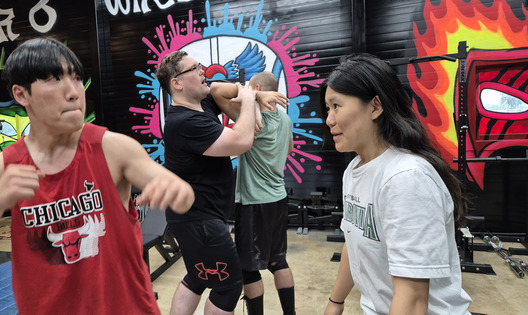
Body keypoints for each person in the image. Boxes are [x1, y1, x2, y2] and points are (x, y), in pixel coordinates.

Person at [0, 38, 195, 315]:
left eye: (75, 78)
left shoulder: (114, 148)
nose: (74, 91)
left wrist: (177, 191)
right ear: (21, 94)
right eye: (54, 79)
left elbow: (181, 194)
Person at [321, 53, 472, 315]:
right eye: (328, 109)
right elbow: (354, 240)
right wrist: (336, 302)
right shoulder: (354, 170)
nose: (329, 120)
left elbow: (413, 299)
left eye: (337, 106)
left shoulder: (406, 179)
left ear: (375, 107)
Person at [155, 51, 288, 315]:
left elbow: (217, 88)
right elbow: (241, 141)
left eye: (199, 65)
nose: (202, 70)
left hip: (199, 217)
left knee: (197, 277)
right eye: (194, 69)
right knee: (228, 285)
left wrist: (257, 94)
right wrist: (250, 98)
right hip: (199, 221)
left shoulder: (199, 104)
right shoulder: (184, 121)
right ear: (177, 83)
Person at [232, 71, 295, 315]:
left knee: (249, 269)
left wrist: (251, 99)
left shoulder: (252, 120)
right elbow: (288, 149)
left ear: (257, 88)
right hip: (278, 198)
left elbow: (219, 92)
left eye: (251, 88)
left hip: (254, 203)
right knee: (278, 261)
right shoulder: (285, 119)